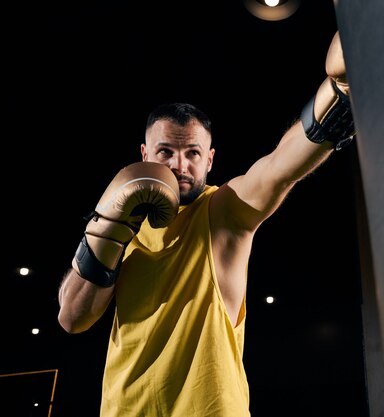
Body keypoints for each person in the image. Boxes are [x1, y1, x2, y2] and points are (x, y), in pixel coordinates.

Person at [57, 31, 355, 417]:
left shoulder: (224, 212)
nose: (179, 165)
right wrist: (107, 226)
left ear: (210, 160)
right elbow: (72, 318)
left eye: (192, 153)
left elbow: (278, 169)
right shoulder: (122, 221)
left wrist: (338, 93)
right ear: (144, 154)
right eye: (166, 151)